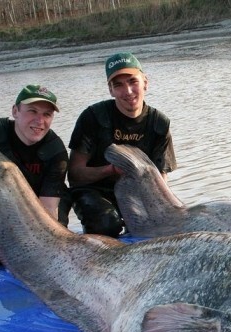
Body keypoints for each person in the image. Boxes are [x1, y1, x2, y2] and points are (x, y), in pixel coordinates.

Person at [67, 52, 177, 237]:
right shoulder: (92, 117)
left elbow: (161, 177)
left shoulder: (159, 123)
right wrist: (110, 170)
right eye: (118, 85)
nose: (127, 91)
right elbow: (75, 176)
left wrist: (160, 208)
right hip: (95, 190)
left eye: (133, 81)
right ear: (110, 90)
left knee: (169, 223)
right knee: (106, 224)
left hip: (139, 191)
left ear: (145, 82)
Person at [0, 84, 71, 269]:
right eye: (32, 111)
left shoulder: (56, 152)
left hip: (44, 204)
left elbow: (49, 207)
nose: (40, 121)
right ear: (15, 111)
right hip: (5, 204)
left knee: (46, 247)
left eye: (47, 114)